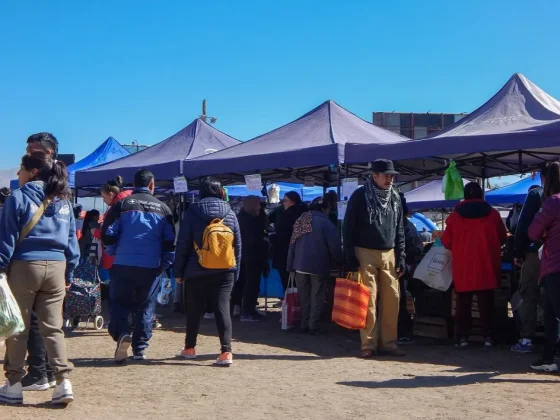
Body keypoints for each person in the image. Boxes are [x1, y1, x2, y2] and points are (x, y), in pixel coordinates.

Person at [0, 151, 79, 405]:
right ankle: (63, 381)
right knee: (53, 328)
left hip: (25, 266)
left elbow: (7, 238)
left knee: (18, 327)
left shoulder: (19, 197)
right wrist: (70, 270)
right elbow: (71, 241)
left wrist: (1, 267)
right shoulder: (64, 200)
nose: (18, 173)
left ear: (32, 171)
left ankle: (13, 385)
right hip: (57, 266)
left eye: (21, 169)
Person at [102, 169, 175, 363]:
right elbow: (170, 242)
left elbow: (108, 232)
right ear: (152, 184)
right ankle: (140, 348)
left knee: (119, 303)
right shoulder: (163, 208)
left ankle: (122, 333)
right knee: (145, 306)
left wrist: (111, 251)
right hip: (151, 266)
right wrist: (164, 264)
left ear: (133, 185)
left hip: (123, 263)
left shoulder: (122, 204)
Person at [174, 177, 241, 366]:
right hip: (225, 268)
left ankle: (189, 348)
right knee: (222, 308)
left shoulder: (192, 212)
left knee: (194, 309)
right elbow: (237, 244)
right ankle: (226, 352)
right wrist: (235, 271)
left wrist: (178, 271)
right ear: (220, 192)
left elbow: (183, 243)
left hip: (197, 268)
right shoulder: (230, 212)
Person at [343, 159, 406, 358]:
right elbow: (348, 228)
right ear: (374, 176)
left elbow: (400, 228)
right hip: (365, 252)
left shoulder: (395, 196)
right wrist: (350, 256)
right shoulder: (360, 196)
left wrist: (401, 256)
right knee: (368, 300)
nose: (390, 179)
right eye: (386, 175)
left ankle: (388, 343)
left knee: (392, 299)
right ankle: (368, 345)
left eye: (392, 176)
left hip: (389, 252)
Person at [441, 182, 507, 348]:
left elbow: (446, 241)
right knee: (487, 304)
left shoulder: (455, 217)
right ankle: (488, 337)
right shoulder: (493, 214)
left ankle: (462, 338)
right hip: (487, 265)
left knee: (463, 304)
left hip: (463, 267)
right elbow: (502, 237)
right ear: (481, 195)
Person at [17, 133, 59, 393]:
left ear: (48, 153)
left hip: (32, 262)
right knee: (49, 322)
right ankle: (52, 373)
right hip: (55, 263)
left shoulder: (37, 188)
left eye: (34, 151)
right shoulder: (60, 186)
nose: (30, 154)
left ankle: (39, 372)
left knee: (35, 320)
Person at [287, 196, 342, 334]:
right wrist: (339, 262)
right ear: (326, 208)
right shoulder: (326, 223)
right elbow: (334, 247)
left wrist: (290, 264)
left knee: (304, 296)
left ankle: (304, 324)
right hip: (318, 265)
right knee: (317, 296)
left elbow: (292, 244)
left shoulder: (301, 220)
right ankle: (313, 326)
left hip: (299, 265)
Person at [511, 167, 549, 353]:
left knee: (529, 295)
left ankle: (526, 339)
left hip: (536, 254)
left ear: (542, 177)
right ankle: (554, 342)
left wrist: (517, 252)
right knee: (553, 298)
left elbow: (524, 226)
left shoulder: (536, 194)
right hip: (555, 255)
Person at [528, 161, 560, 373]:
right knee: (550, 313)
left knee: (554, 312)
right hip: (553, 265)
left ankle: (550, 357)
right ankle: (548, 356)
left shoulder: (552, 203)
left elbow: (532, 231)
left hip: (555, 265)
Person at [233, 196, 269, 322]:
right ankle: (247, 311)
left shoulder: (241, 217)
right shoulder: (250, 220)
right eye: (258, 205)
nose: (260, 207)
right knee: (251, 284)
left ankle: (243, 309)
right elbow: (254, 238)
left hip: (242, 256)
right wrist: (265, 241)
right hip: (252, 256)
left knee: (242, 283)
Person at [398, 195, 424, 344]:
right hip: (403, 267)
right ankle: (403, 333)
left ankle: (403, 332)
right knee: (399, 300)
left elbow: (417, 248)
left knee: (400, 300)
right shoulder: (407, 225)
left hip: (402, 268)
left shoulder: (405, 225)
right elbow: (418, 247)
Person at [271, 191, 308, 294]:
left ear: (292, 201)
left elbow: (283, 235)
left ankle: (290, 303)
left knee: (287, 280)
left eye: (285, 201)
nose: (284, 203)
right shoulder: (305, 214)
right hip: (300, 254)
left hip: (285, 253)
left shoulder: (288, 215)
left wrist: (272, 237)